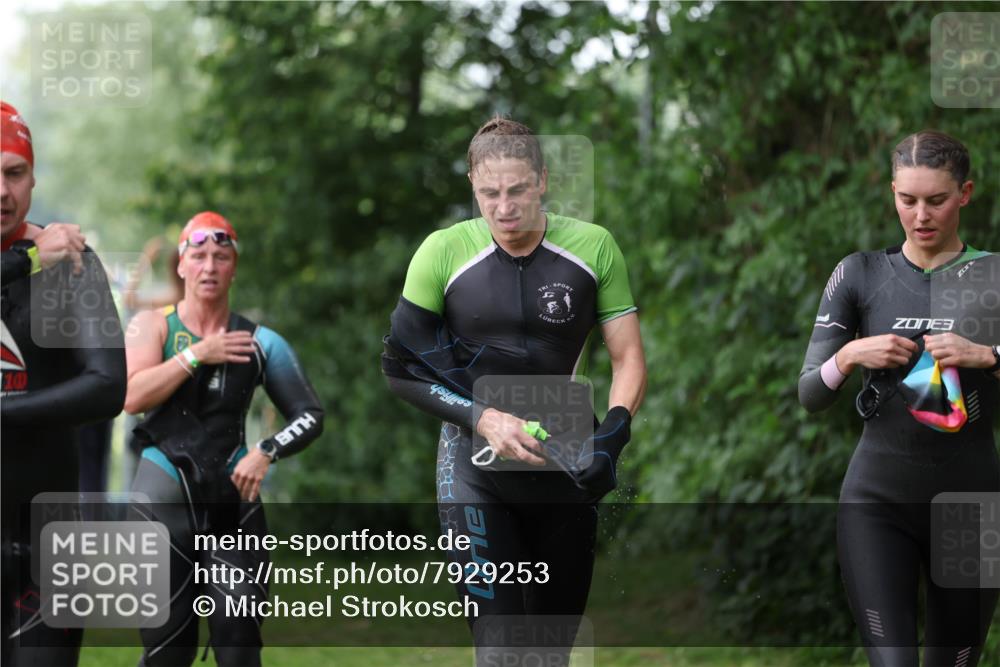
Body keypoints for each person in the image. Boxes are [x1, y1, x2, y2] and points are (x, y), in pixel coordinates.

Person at [383, 116, 647, 665]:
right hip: (473, 466)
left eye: (518, 190)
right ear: (473, 188)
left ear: (543, 180)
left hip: (564, 460)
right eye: (489, 193)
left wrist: (613, 436)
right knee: (500, 649)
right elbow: (400, 370)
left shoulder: (593, 247)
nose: (503, 207)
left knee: (549, 654)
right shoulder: (442, 251)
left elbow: (627, 359)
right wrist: (483, 417)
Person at [799, 131, 1000, 666]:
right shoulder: (860, 273)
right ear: (892, 192)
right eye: (907, 200)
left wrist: (986, 356)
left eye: (936, 200)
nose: (920, 215)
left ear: (965, 193)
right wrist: (848, 356)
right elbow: (809, 393)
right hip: (877, 503)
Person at [124, 211, 324, 667]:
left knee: (239, 643)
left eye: (221, 256)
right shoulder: (153, 326)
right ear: (181, 265)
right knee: (167, 651)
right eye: (198, 256)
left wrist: (266, 450)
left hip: (233, 502)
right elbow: (132, 396)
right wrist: (198, 353)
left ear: (234, 267)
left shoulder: (260, 342)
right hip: (161, 501)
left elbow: (310, 415)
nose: (209, 267)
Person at [1, 101, 127, 665]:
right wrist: (27, 260)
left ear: (33, 178)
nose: (2, 191)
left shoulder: (72, 262)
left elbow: (108, 387)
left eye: (14, 173)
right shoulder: (41, 258)